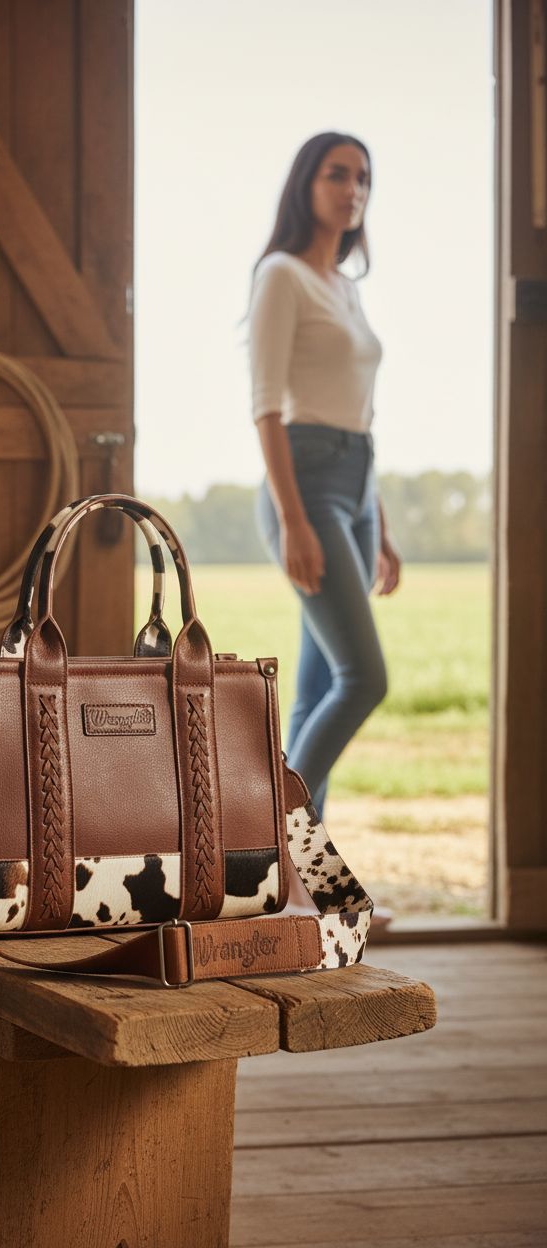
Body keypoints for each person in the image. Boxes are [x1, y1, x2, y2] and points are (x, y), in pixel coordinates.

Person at [249, 131, 401, 913]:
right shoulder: (280, 276)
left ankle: (299, 895)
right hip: (302, 484)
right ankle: (286, 848)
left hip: (356, 484)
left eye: (363, 176)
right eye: (338, 173)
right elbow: (267, 409)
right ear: (308, 183)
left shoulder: (345, 286)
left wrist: (380, 518)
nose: (353, 188)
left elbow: (361, 412)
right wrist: (294, 519)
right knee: (363, 678)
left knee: (314, 698)